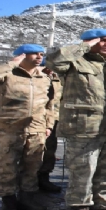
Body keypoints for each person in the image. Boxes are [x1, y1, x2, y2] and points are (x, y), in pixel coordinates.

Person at [46, 29, 106, 210]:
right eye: (102, 40)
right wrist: (84, 45)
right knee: (82, 173)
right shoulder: (74, 62)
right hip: (83, 128)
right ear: (90, 41)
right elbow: (53, 61)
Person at [0, 44, 53, 210]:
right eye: (34, 54)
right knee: (6, 165)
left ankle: (27, 199)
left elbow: (50, 104)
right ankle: (8, 202)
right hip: (8, 128)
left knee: (32, 165)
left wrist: (48, 125)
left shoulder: (44, 77)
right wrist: (12, 63)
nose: (39, 57)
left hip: (36, 128)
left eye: (41, 54)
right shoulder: (7, 74)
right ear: (21, 56)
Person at [37, 59, 63, 193]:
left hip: (53, 119)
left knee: (49, 149)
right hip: (35, 119)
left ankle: (44, 177)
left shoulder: (59, 80)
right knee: (32, 151)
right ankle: (26, 181)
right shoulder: (35, 76)